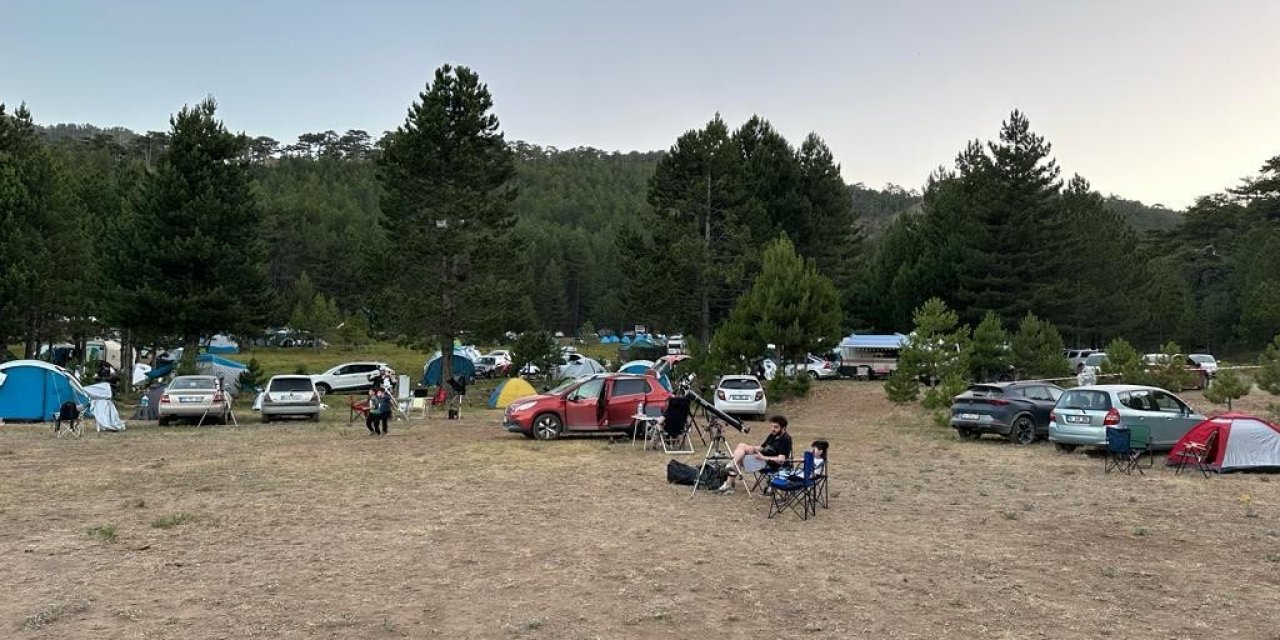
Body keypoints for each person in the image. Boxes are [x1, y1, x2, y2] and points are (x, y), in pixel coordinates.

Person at [717, 415, 792, 493]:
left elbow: (781, 460)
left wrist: (763, 457)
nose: (773, 429)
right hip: (760, 458)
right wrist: (751, 448)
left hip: (769, 464)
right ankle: (730, 469)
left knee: (739, 457)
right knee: (741, 447)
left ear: (783, 428)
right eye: (772, 427)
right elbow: (762, 447)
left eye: (776, 427)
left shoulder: (785, 440)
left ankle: (729, 475)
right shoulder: (773, 435)